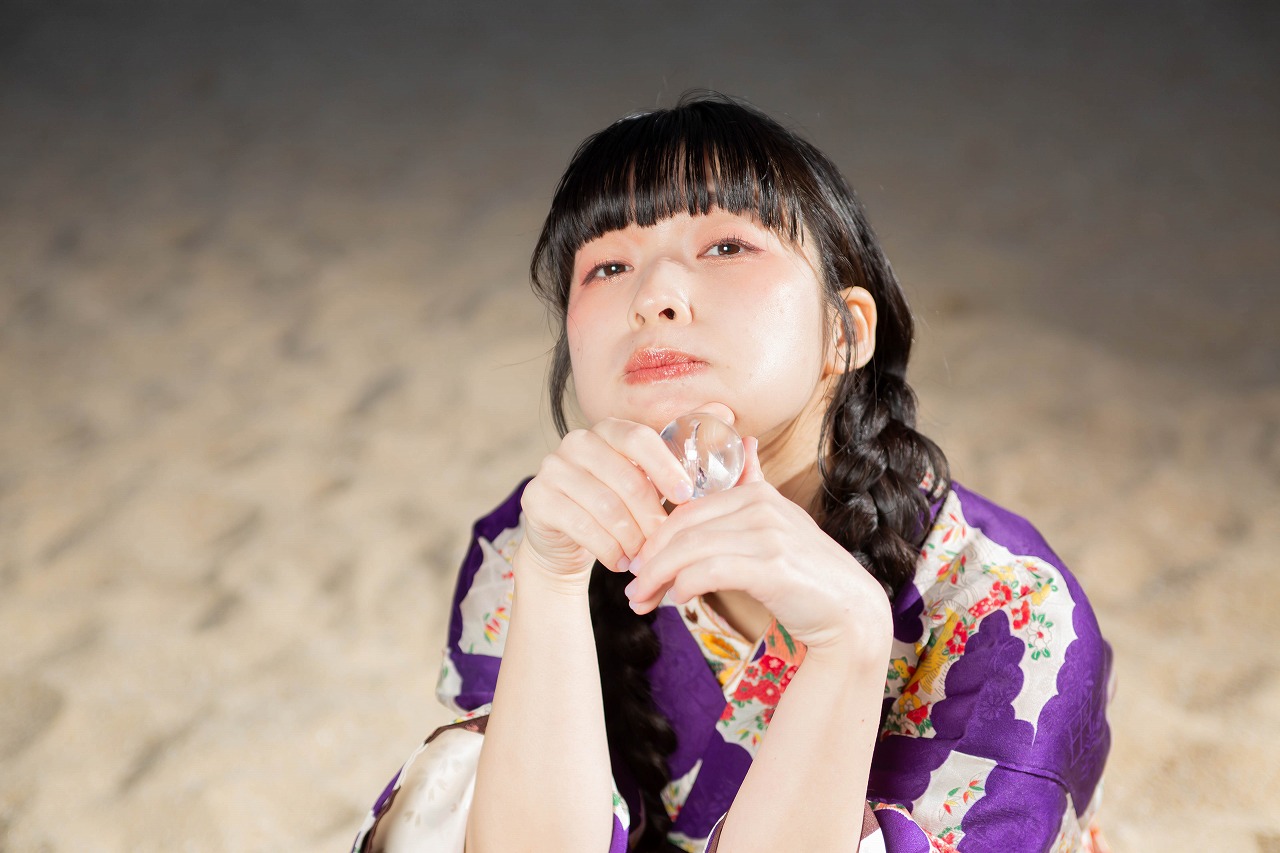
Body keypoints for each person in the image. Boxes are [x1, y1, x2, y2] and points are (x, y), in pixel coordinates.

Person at [352, 92, 1113, 853]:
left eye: (725, 247)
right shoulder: (540, 535)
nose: (653, 297)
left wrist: (848, 642)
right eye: (609, 266)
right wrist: (551, 583)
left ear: (846, 331)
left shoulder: (1011, 613)